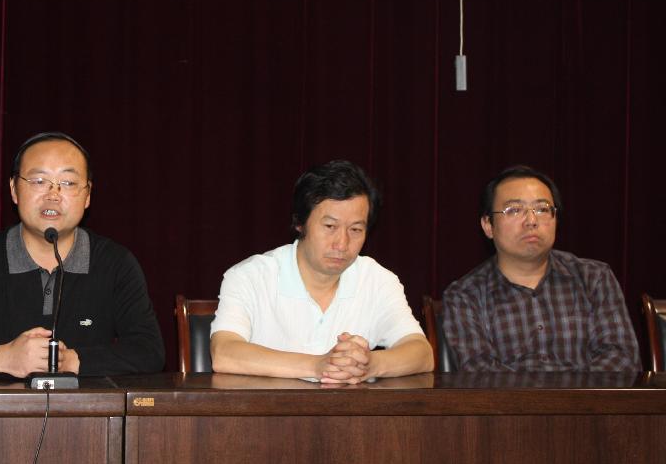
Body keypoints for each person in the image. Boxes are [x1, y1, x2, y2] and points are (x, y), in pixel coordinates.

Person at [0, 132, 164, 377]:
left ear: (87, 195)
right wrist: (1, 358)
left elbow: (149, 350)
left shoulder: (115, 263)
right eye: (39, 181)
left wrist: (73, 361)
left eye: (68, 183)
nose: (53, 195)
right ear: (14, 189)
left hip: (87, 406)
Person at [210, 160, 433, 384]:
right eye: (330, 227)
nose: (342, 244)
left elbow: (422, 354)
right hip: (268, 407)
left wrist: (368, 365)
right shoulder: (249, 277)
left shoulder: (378, 280)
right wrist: (318, 366)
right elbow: (224, 353)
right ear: (300, 223)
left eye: (355, 229)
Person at [442, 165, 640, 371]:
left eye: (542, 209)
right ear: (488, 225)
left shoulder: (594, 278)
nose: (531, 221)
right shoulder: (465, 295)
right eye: (514, 210)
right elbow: (480, 372)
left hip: (590, 394)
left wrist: (567, 391)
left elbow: (622, 358)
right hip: (511, 396)